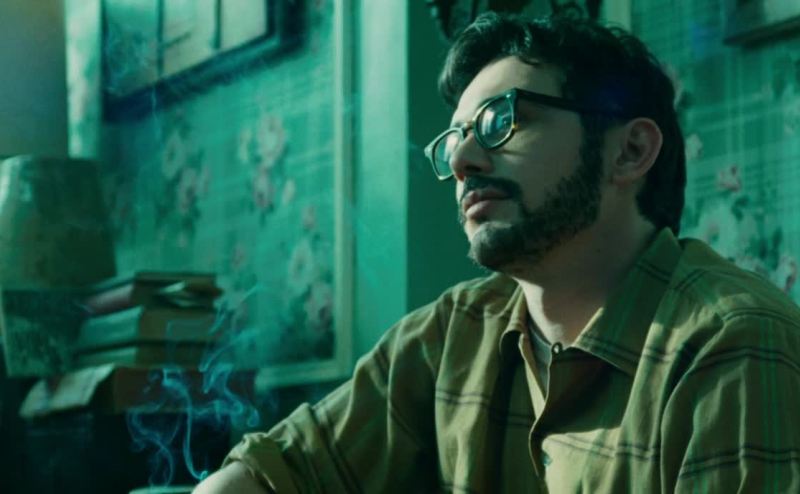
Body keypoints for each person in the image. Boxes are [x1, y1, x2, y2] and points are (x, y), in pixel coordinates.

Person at [195, 11, 800, 493]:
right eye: (454, 140)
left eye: (500, 121)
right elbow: (273, 473)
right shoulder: (454, 331)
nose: (462, 160)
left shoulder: (732, 344)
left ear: (630, 151)